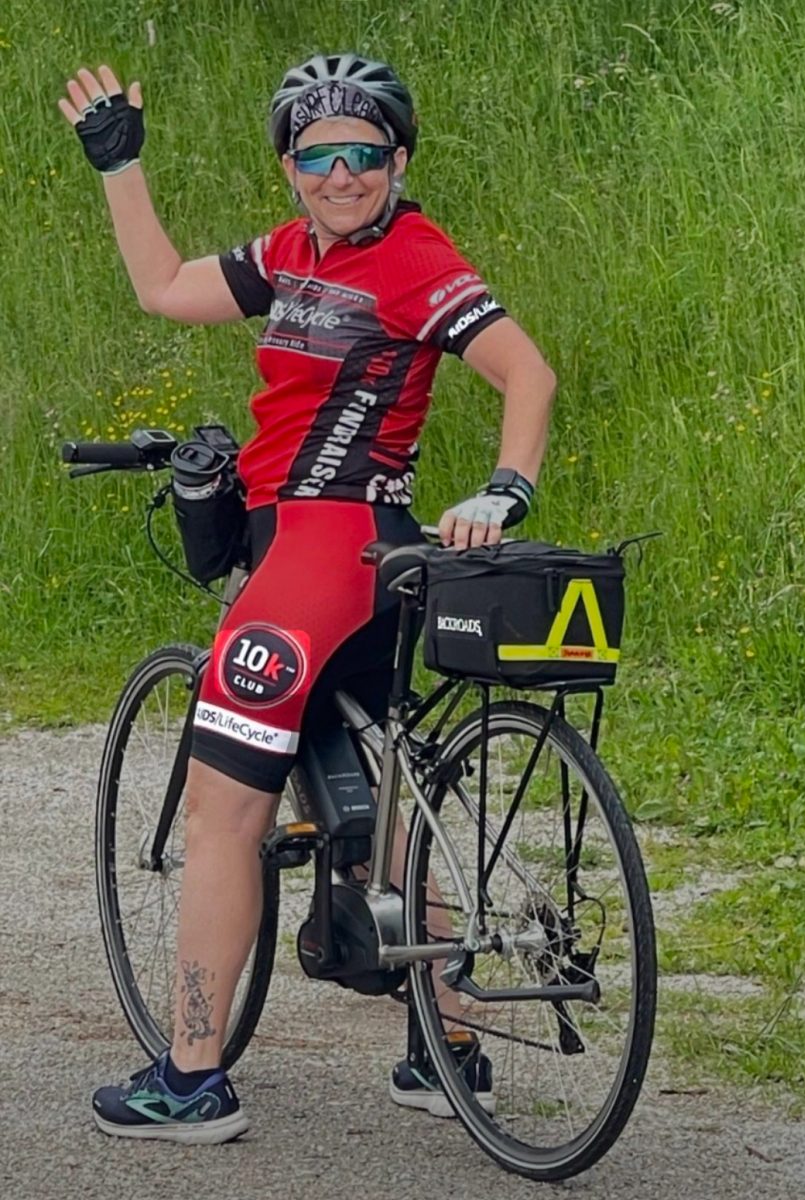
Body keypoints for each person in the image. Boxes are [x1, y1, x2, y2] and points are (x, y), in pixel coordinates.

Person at [59, 52, 556, 1144]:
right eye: (320, 155)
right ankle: (445, 1038)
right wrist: (118, 168)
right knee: (377, 796)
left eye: (364, 154)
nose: (343, 175)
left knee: (223, 811)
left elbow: (526, 371)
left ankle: (191, 1078)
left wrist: (506, 487)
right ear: (290, 169)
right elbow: (165, 290)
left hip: (318, 556)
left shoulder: (416, 259)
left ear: (399, 160)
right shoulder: (288, 255)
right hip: (371, 557)